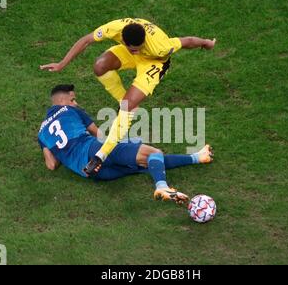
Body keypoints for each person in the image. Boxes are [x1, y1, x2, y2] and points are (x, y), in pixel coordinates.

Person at [40, 18, 216, 176]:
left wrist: (206, 43)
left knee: (127, 107)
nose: (135, 52)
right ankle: (125, 104)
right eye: (132, 49)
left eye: (137, 49)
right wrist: (62, 63)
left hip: (154, 62)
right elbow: (86, 40)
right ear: (123, 40)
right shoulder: (114, 28)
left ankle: (101, 154)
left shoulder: (160, 46)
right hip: (130, 50)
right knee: (100, 66)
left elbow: (189, 41)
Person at [38, 84, 214, 204]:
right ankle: (162, 187)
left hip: (93, 173)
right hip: (95, 150)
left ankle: (199, 157)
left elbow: (52, 165)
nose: (75, 103)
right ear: (61, 101)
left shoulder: (42, 133)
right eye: (72, 99)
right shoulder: (70, 111)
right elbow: (100, 136)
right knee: (152, 152)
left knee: (146, 163)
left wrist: (62, 150)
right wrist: (125, 143)